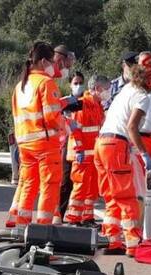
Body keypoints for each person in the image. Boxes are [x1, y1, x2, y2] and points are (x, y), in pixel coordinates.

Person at [94, 64, 151, 256]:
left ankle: (112, 241)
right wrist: (144, 153)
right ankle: (133, 243)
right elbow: (132, 127)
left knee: (113, 196)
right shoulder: (142, 97)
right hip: (115, 144)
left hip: (102, 142)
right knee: (126, 196)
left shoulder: (126, 90)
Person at [8, 41, 71, 226]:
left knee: (28, 185)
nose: (54, 66)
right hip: (45, 144)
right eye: (52, 61)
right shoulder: (46, 83)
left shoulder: (20, 85)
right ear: (44, 61)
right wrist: (65, 125)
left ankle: (22, 226)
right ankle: (43, 229)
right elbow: (52, 116)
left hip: (25, 144)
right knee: (49, 187)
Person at [64, 75, 111, 227]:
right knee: (80, 186)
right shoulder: (82, 104)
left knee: (92, 189)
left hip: (93, 154)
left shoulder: (97, 105)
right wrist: (79, 149)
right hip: (82, 154)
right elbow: (75, 129)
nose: (108, 92)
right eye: (107, 89)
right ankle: (73, 219)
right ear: (97, 89)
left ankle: (87, 217)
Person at [55, 71, 85, 224]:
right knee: (66, 182)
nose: (79, 85)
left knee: (81, 183)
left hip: (84, 148)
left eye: (81, 82)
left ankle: (78, 217)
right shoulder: (65, 101)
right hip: (68, 145)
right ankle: (59, 214)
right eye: (75, 83)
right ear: (70, 85)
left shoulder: (87, 101)